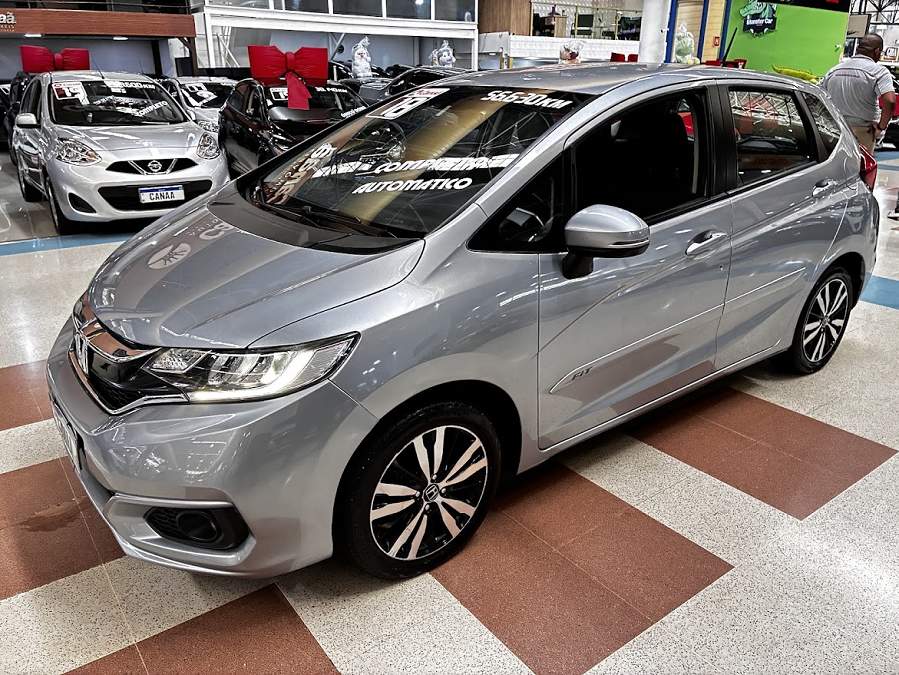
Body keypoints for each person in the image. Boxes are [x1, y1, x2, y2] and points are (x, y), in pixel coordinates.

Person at [821, 34, 896, 153]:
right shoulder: (879, 71)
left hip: (834, 129)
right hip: (862, 131)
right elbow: (890, 100)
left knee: (835, 163)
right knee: (861, 163)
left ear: (858, 49)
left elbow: (819, 96)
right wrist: (881, 127)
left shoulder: (834, 70)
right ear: (877, 51)